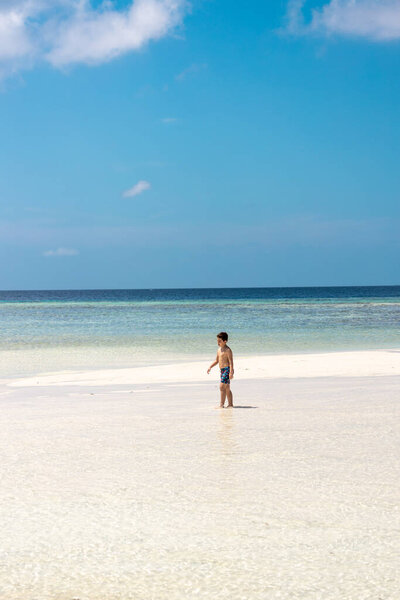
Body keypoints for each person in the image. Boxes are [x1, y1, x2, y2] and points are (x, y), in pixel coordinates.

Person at [207, 331, 234, 408]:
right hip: (222, 370)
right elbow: (217, 360)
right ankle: (230, 404)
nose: (218, 343)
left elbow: (231, 362)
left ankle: (221, 405)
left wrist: (231, 372)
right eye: (217, 341)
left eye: (220, 341)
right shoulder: (219, 350)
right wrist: (210, 367)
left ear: (225, 341)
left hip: (227, 369)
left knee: (222, 387)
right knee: (227, 388)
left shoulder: (228, 350)